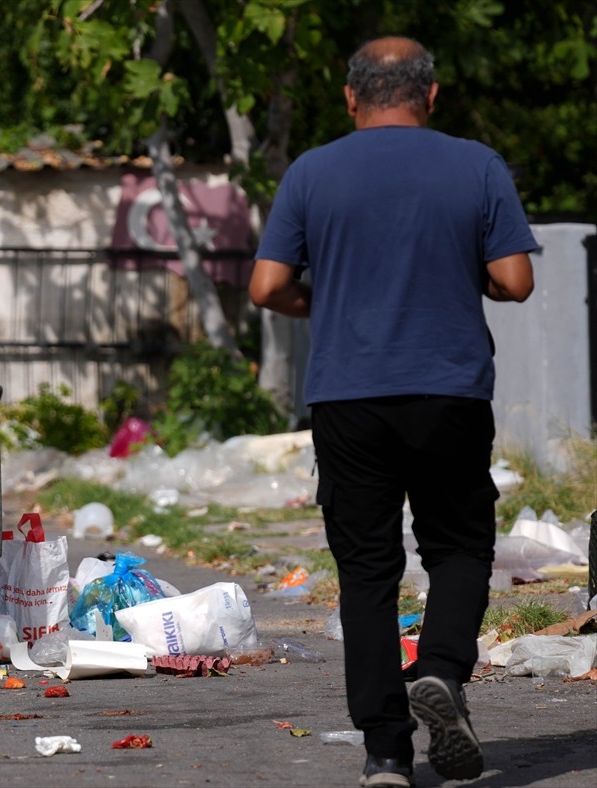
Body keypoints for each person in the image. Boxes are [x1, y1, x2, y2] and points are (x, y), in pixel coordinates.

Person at [249, 36, 536, 788]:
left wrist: (319, 300)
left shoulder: (312, 171)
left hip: (348, 396)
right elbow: (516, 280)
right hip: (450, 391)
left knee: (367, 571)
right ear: (431, 95)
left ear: (351, 97)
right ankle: (440, 670)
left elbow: (266, 286)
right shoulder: (476, 164)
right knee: (461, 546)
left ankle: (384, 755)